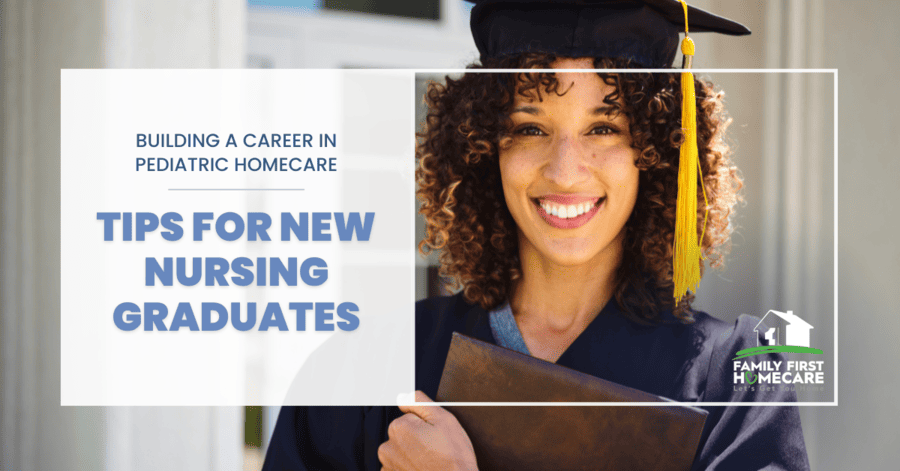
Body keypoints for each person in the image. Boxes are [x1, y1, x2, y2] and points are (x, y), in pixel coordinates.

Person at [264, 1, 810, 469]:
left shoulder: (736, 383)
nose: (565, 170)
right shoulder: (366, 367)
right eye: (530, 128)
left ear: (659, 151)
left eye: (604, 128)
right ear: (483, 148)